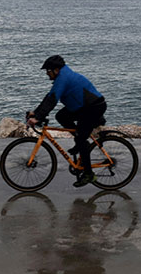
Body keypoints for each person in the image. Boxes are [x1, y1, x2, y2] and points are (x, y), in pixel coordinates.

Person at [27, 55, 107, 187]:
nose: (47, 74)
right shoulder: (62, 76)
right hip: (83, 107)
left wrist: (38, 118)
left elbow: (53, 99)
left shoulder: (63, 78)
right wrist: (36, 113)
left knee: (82, 140)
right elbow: (49, 97)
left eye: (48, 71)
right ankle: (79, 140)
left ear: (56, 70)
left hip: (93, 108)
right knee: (61, 116)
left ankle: (89, 174)